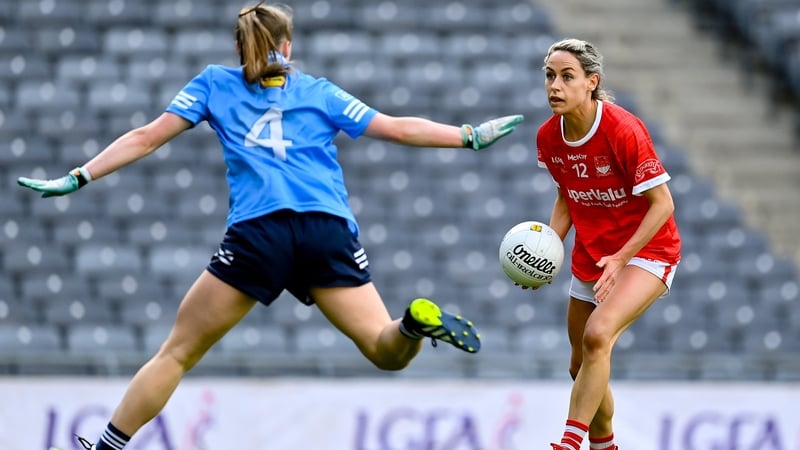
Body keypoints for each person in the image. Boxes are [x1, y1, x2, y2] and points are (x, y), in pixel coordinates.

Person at [20, 3, 524, 449]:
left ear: (240, 46)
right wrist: (468, 136)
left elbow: (148, 137)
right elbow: (396, 126)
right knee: (384, 349)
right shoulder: (318, 92)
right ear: (288, 45)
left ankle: (107, 447)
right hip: (326, 228)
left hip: (258, 234)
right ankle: (412, 325)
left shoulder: (214, 84)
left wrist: (79, 175)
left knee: (176, 353)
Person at [533, 38, 681, 450]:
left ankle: (569, 441)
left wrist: (622, 257)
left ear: (591, 82)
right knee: (580, 364)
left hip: (647, 253)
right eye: (549, 75)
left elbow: (662, 203)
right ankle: (604, 445)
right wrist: (546, 251)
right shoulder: (548, 137)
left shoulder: (622, 129)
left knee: (598, 337)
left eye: (567, 76)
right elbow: (567, 195)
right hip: (592, 256)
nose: (554, 86)